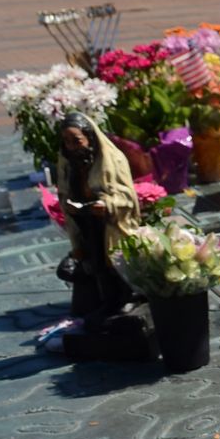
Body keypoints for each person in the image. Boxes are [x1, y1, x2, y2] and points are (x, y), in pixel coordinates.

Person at [39, 113, 155, 362]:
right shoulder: (70, 165)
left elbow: (127, 197)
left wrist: (108, 204)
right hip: (87, 222)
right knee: (97, 265)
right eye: (67, 142)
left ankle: (128, 296)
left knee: (115, 261)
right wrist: (71, 207)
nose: (72, 147)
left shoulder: (111, 161)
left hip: (112, 224)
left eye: (76, 141)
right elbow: (66, 192)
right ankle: (108, 300)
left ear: (90, 139)